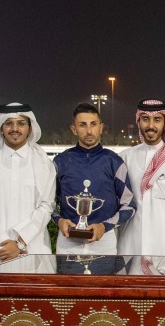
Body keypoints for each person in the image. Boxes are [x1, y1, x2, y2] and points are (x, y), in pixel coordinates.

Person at [0, 103, 56, 270]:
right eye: (9, 123)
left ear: (30, 128)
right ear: (1, 128)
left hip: (33, 247)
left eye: (21, 123)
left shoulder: (44, 164)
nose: (15, 128)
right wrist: (3, 243)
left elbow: (47, 206)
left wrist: (19, 243)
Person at [53, 103, 134, 256]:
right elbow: (48, 204)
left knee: (103, 281)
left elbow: (129, 205)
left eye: (93, 124)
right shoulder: (60, 162)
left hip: (104, 241)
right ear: (74, 129)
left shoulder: (115, 162)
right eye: (82, 125)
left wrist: (104, 226)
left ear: (101, 127)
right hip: (67, 241)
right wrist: (60, 221)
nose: (89, 131)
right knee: (68, 281)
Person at [118, 99, 165, 257]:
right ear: (138, 122)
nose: (151, 125)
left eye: (157, 120)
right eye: (145, 119)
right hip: (131, 244)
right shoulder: (125, 157)